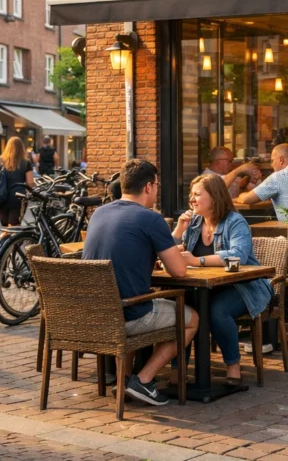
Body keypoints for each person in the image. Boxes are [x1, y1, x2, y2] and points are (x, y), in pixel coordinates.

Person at [83, 159, 198, 406]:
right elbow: (178, 271)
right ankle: (143, 380)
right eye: (156, 185)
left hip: (93, 315)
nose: (157, 190)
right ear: (148, 187)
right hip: (128, 315)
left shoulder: (99, 213)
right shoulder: (150, 218)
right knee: (191, 319)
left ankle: (123, 381)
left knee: (132, 302)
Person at [173, 174, 272, 384]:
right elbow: (168, 251)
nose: (191, 199)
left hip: (244, 285)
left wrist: (197, 260)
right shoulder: (193, 223)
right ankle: (178, 369)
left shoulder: (235, 222)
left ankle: (233, 365)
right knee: (182, 310)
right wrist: (179, 230)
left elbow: (238, 256)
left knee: (217, 311)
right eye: (191, 195)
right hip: (204, 286)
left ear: (215, 198)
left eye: (197, 194)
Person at [236, 143, 288, 221]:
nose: (271, 165)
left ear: (281, 160)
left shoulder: (278, 176)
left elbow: (247, 199)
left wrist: (239, 195)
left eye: (272, 161)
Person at [0, 137, 36, 227]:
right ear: (21, 148)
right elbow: (30, 183)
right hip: (18, 198)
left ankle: (3, 240)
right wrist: (31, 194)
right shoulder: (26, 163)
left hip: (1, 197)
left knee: (6, 227)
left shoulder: (0, 161)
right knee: (14, 228)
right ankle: (1, 240)